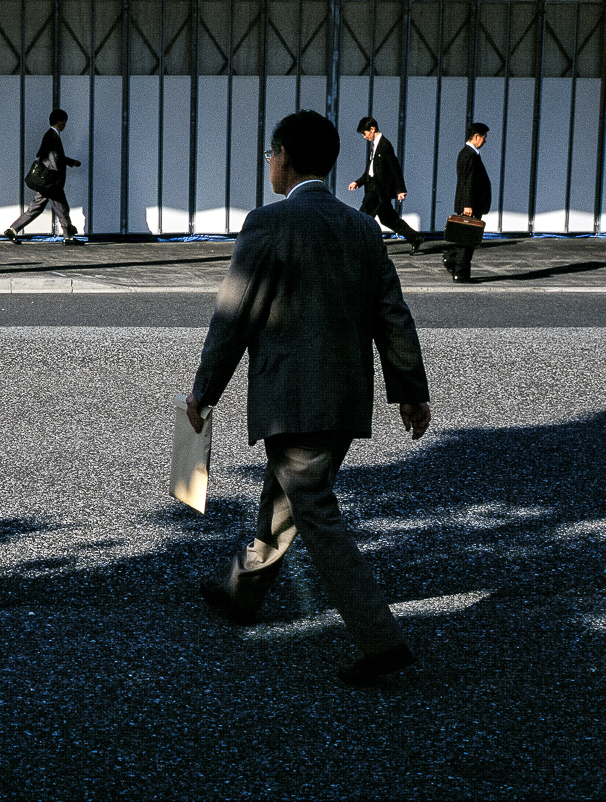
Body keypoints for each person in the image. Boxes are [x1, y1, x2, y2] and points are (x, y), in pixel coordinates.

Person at [185, 110, 433, 687]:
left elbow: (234, 314)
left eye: (271, 154)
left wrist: (204, 390)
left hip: (290, 399)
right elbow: (391, 315)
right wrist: (410, 392)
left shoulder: (267, 223)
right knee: (287, 499)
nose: (269, 163)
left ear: (285, 157)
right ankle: (241, 594)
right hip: (345, 401)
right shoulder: (362, 229)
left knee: (314, 510)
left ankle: (382, 640)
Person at [4, 109, 84, 245]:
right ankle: (68, 237)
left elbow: (53, 157)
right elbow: (54, 160)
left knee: (37, 208)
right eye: (64, 122)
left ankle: (13, 229)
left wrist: (71, 162)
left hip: (47, 181)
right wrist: (55, 179)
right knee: (62, 208)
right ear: (59, 121)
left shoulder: (51, 135)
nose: (65, 125)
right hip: (51, 182)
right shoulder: (52, 136)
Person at [347, 117, 425, 253]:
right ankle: (415, 237)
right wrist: (358, 182)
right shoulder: (375, 145)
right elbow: (370, 170)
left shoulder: (385, 145)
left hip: (378, 190)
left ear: (372, 129)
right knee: (389, 219)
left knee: (364, 216)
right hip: (374, 188)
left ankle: (355, 245)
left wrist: (401, 189)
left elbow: (395, 168)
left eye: (365, 133)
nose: (364, 137)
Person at [444, 122, 492, 283]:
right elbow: (468, 181)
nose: (485, 141)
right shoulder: (469, 154)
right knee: (467, 239)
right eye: (484, 137)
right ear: (476, 137)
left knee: (464, 236)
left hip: (469, 202)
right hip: (470, 204)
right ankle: (461, 272)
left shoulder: (469, 153)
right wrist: (468, 204)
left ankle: (451, 259)